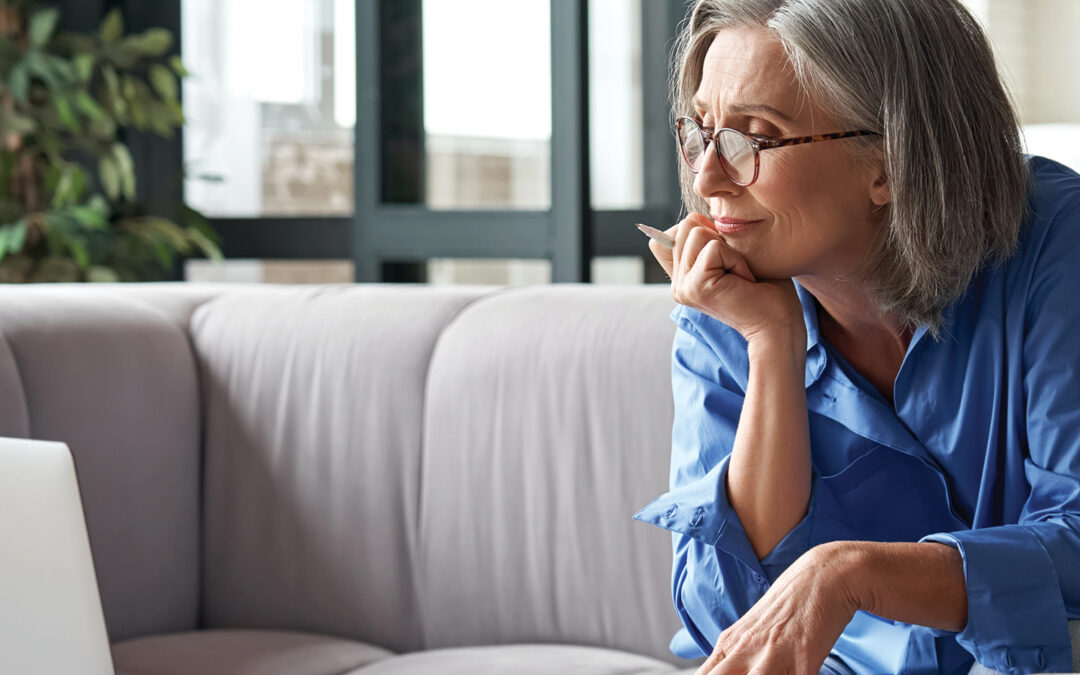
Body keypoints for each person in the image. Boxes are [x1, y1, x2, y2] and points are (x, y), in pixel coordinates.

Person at [631, 0, 1080, 673]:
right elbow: (733, 620)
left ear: (891, 160)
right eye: (701, 132)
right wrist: (772, 344)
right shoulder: (726, 299)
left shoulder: (1055, 247)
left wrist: (850, 571)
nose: (706, 177)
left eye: (753, 136)